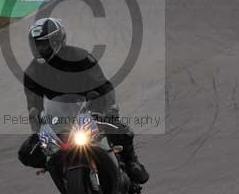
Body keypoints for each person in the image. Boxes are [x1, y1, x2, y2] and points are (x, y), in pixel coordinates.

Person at [17, 17, 149, 184]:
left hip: (91, 107)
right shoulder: (32, 73)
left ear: (57, 41)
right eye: (36, 45)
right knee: (27, 152)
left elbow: (103, 85)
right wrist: (36, 121)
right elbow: (33, 104)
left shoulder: (80, 57)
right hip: (60, 116)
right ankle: (56, 167)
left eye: (43, 44)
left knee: (118, 129)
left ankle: (131, 162)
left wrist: (109, 109)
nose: (39, 49)